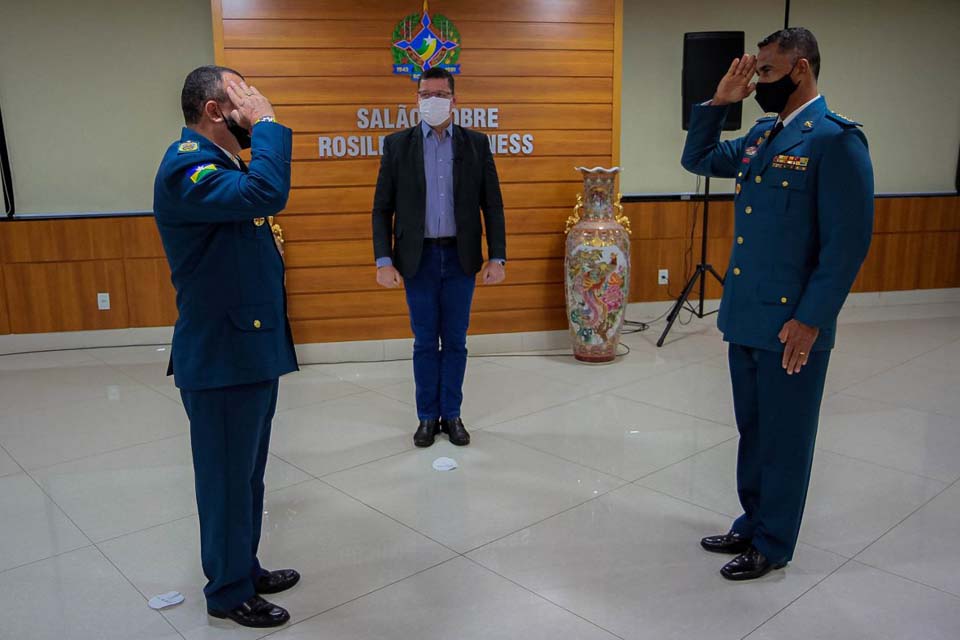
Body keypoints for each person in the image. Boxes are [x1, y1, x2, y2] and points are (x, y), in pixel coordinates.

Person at [680, 28, 873, 580]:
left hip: (792, 324)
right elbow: (698, 159)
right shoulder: (765, 135)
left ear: (802, 70)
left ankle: (774, 542)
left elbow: (846, 246)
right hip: (747, 316)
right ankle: (754, 518)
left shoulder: (835, 140)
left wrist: (811, 321)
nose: (757, 81)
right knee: (755, 429)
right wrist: (719, 102)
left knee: (786, 436)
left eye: (766, 72)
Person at [153, 66, 300, 628]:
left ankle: (245, 565)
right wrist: (267, 125)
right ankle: (227, 590)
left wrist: (259, 127)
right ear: (216, 110)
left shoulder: (218, 164)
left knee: (248, 474)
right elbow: (268, 192)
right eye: (245, 98)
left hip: (248, 348)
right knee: (224, 480)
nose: (258, 106)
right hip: (220, 356)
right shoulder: (186, 165)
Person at [372, 67, 507, 448]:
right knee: (425, 342)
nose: (432, 100)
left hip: (461, 258)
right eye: (425, 94)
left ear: (454, 99)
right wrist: (384, 261)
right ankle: (427, 417)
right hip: (418, 260)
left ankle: (453, 413)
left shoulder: (476, 145)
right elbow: (381, 208)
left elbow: (492, 205)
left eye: (440, 94)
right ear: (416, 100)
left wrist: (498, 256)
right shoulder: (397, 145)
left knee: (457, 341)